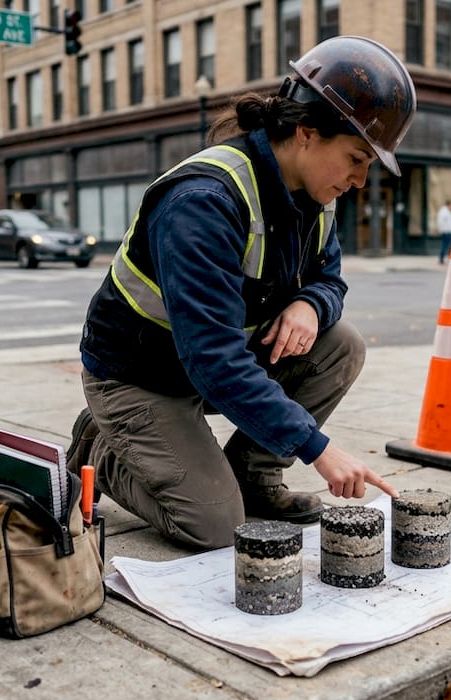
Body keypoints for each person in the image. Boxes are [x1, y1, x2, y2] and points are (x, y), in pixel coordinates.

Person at [70, 35, 411, 550]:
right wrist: (317, 448)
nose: (361, 180)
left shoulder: (316, 195)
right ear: (306, 134)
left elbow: (331, 279)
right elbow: (214, 355)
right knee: (214, 529)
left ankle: (255, 478)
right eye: (356, 158)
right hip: (139, 379)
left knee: (341, 343)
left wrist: (310, 304)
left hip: (202, 369)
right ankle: (103, 448)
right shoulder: (204, 202)